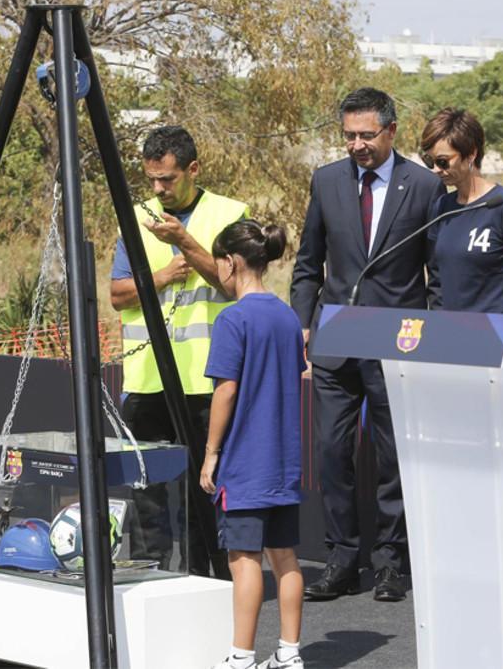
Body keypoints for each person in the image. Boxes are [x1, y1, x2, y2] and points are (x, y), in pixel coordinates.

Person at [290, 87, 444, 602]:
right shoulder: (327, 180)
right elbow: (308, 263)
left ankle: (391, 562)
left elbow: (437, 272)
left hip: (397, 341)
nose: (357, 145)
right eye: (349, 135)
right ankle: (341, 559)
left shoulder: (423, 186)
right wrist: (303, 323)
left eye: (366, 135)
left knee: (392, 457)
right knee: (332, 452)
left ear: (391, 132)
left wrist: (432, 335)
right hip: (335, 339)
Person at [419, 108, 503, 622]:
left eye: (445, 160)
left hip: (501, 362)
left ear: (471, 154)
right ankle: (473, 571)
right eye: (431, 161)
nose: (438, 170)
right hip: (451, 362)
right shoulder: (440, 208)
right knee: (463, 468)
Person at [110, 125, 248, 578]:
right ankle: (149, 573)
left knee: (204, 490)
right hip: (147, 381)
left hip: (206, 382)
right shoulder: (137, 216)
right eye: (151, 179)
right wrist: (163, 275)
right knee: (145, 489)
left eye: (167, 179)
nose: (158, 189)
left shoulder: (228, 215)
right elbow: (116, 294)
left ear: (192, 170)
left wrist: (186, 242)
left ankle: (210, 579)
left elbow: (232, 286)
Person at [201, 220, 307, 669]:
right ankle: (289, 654)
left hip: (245, 462)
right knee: (286, 559)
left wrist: (211, 453)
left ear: (231, 262)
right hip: (283, 461)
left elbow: (226, 390)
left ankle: (240, 657)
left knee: (243, 560)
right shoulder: (288, 316)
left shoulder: (233, 318)